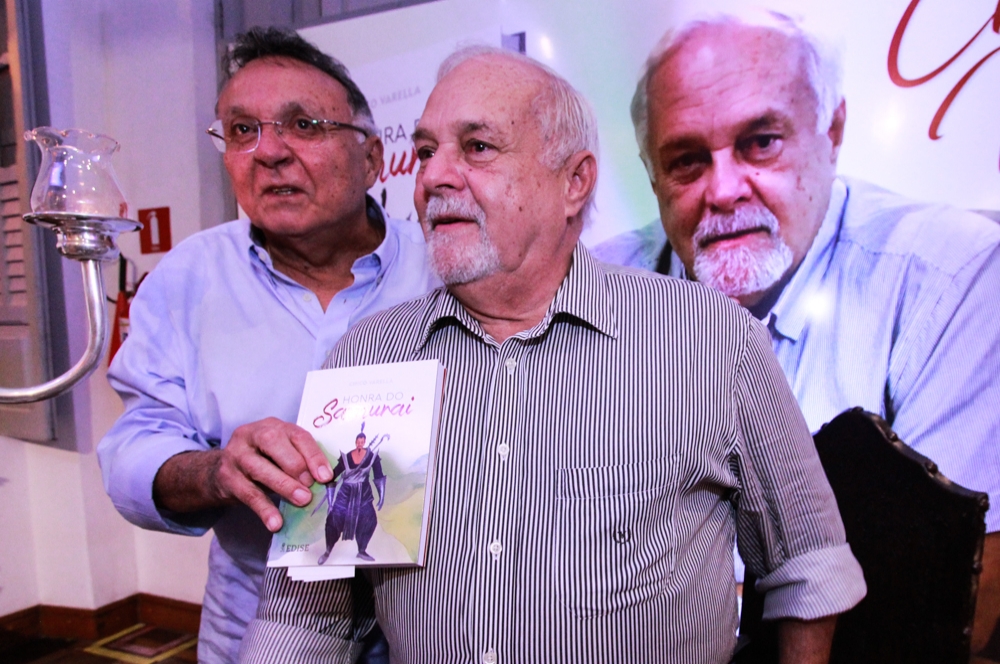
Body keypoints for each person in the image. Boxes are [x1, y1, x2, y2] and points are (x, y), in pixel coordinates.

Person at [238, 45, 865, 664]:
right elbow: (307, 616)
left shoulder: (710, 338)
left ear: (574, 182)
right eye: (426, 151)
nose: (432, 177)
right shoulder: (368, 361)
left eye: (477, 147)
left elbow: (808, 568)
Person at [592, 10, 1000, 655]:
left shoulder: (949, 277)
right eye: (687, 161)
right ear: (651, 174)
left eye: (760, 142)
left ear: (832, 132)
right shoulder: (588, 289)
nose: (724, 190)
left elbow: (950, 600)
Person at [97, 27, 439, 663]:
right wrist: (217, 471)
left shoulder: (442, 269)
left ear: (371, 159)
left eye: (303, 125)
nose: (270, 152)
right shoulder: (189, 277)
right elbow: (135, 446)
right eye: (242, 130)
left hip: (428, 628)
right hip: (257, 629)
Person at [315, 425, 386, 564]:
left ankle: (362, 551)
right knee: (334, 519)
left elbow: (378, 475)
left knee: (369, 519)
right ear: (355, 442)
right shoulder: (347, 457)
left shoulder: (372, 456)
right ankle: (328, 550)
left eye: (362, 441)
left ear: (364, 442)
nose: (360, 443)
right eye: (358, 441)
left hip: (364, 494)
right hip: (345, 493)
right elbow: (333, 475)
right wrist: (330, 500)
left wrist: (381, 495)